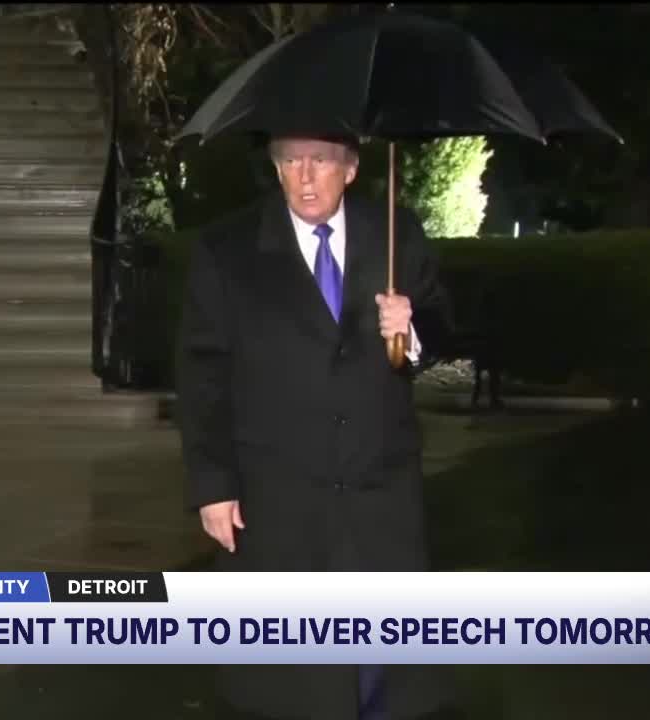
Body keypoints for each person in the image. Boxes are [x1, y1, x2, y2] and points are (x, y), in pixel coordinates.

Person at [176, 134, 458, 720]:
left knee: (385, 661)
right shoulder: (227, 249)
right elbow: (203, 374)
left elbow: (442, 329)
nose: (305, 176)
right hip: (278, 488)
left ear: (350, 169)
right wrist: (212, 483)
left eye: (321, 160)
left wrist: (411, 330)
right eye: (291, 161)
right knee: (292, 670)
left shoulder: (395, 235)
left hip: (379, 484)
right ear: (276, 167)